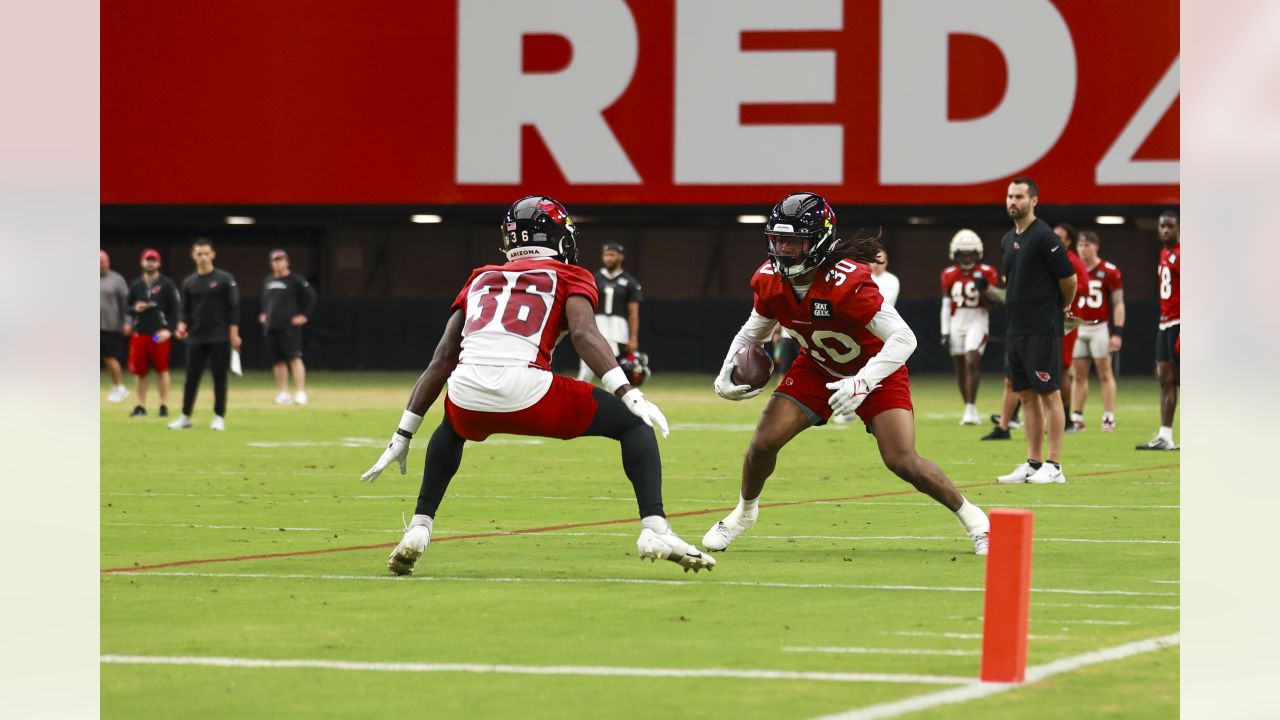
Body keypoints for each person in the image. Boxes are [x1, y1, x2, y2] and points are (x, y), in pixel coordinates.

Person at [360, 196, 714, 576]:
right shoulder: (571, 274)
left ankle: (419, 526)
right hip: (528, 389)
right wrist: (630, 393)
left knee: (450, 429)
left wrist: (404, 432)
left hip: (465, 393)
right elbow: (584, 334)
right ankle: (654, 528)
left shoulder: (480, 276)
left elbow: (443, 358)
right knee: (633, 425)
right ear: (559, 237)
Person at [705, 192, 991, 556]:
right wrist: (725, 371)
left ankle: (976, 521)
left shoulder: (847, 283)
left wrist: (864, 381)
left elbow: (904, 338)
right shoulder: (769, 279)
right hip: (816, 367)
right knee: (763, 443)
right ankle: (743, 514)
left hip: (875, 370)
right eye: (777, 239)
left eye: (792, 241)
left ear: (818, 240)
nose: (782, 249)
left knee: (902, 459)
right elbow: (753, 332)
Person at [995, 179, 1078, 484]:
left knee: (1049, 393)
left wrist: (1063, 308)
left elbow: (1069, 280)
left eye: (1019, 196)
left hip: (1042, 328)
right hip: (1016, 328)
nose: (1012, 201)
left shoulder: (1045, 237)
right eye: (1009, 196)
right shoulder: (1007, 239)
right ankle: (1033, 462)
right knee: (1026, 395)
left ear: (1034, 201)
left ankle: (1054, 465)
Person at [169, 239, 241, 431]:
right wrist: (181, 326)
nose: (203, 257)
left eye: (206, 254)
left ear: (213, 254)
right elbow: (184, 310)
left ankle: (219, 417)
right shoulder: (188, 282)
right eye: (199, 254)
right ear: (193, 256)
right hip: (196, 337)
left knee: (219, 377)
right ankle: (186, 416)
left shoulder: (225, 279)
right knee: (191, 377)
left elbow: (233, 308)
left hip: (218, 336)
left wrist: (234, 334)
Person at [940, 230, 1003, 425]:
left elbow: (995, 303)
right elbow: (945, 304)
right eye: (963, 253)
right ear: (955, 254)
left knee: (972, 359)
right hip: (957, 319)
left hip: (978, 318)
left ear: (977, 253)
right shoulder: (949, 274)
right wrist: (945, 331)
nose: (967, 257)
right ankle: (968, 406)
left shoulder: (987, 271)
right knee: (960, 366)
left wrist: (985, 289)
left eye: (970, 253)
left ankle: (971, 408)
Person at [1069, 230, 1125, 432]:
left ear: (1096, 247)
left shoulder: (1109, 270)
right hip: (1078, 326)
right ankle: (1077, 415)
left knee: (1104, 372)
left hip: (1099, 327)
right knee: (1078, 374)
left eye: (1087, 245)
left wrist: (1117, 332)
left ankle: (1108, 415)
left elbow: (1118, 303)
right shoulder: (1072, 268)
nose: (1083, 249)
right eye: (1080, 245)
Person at [1137, 211, 1180, 450]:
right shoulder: (1164, 253)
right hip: (1165, 323)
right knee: (1165, 379)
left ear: (1178, 229)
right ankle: (1165, 436)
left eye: (1170, 227)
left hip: (1180, 322)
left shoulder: (1183, 253)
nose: (1165, 230)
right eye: (1162, 226)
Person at [124, 248, 181, 418]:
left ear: (159, 263)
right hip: (140, 333)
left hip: (158, 334)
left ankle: (163, 405)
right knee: (140, 371)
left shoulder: (166, 284)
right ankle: (140, 406)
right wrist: (135, 309)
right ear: (142, 262)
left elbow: (176, 309)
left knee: (162, 369)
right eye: (148, 260)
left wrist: (169, 329)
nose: (151, 263)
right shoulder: (136, 285)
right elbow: (127, 308)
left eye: (153, 260)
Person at [577, 242, 643, 383]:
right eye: (606, 255)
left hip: (618, 330)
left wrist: (633, 338)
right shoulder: (594, 278)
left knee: (613, 371)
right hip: (596, 326)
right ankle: (577, 402)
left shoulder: (630, 282)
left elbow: (633, 313)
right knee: (585, 369)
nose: (608, 258)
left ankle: (614, 403)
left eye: (612, 255)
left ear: (620, 257)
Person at [258, 249, 317, 405]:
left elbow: (311, 297)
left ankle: (300, 392)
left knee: (294, 358)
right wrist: (264, 314)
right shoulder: (268, 280)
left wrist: (304, 315)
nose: (278, 263)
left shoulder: (295, 279)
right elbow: (266, 301)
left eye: (280, 260)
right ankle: (283, 393)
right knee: (277, 361)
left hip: (289, 327)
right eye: (275, 260)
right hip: (272, 326)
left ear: (287, 262)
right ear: (271, 263)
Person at [1053, 223, 1091, 431]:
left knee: (1062, 370)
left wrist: (1063, 286)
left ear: (1068, 241)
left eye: (1059, 236)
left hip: (1066, 322)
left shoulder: (1073, 261)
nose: (1054, 238)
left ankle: (1067, 419)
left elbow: (1084, 286)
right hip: (1047, 319)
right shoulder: (1050, 257)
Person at [100, 250, 130, 403]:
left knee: (110, 357)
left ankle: (120, 387)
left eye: (105, 261)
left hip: (110, 326)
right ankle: (115, 386)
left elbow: (127, 303)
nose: (103, 264)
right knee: (105, 358)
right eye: (100, 262)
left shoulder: (117, 280)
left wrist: (127, 322)